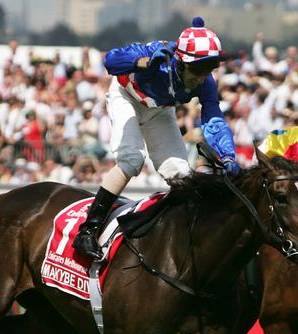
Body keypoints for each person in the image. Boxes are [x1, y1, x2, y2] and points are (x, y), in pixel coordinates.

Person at [72, 16, 239, 260]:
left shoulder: (206, 83)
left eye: (209, 68)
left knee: (182, 175)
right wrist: (143, 63)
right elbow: (111, 60)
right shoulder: (157, 54)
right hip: (126, 97)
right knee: (131, 160)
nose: (204, 77)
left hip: (159, 109)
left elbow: (212, 118)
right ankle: (88, 230)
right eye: (199, 69)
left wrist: (227, 155)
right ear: (181, 61)